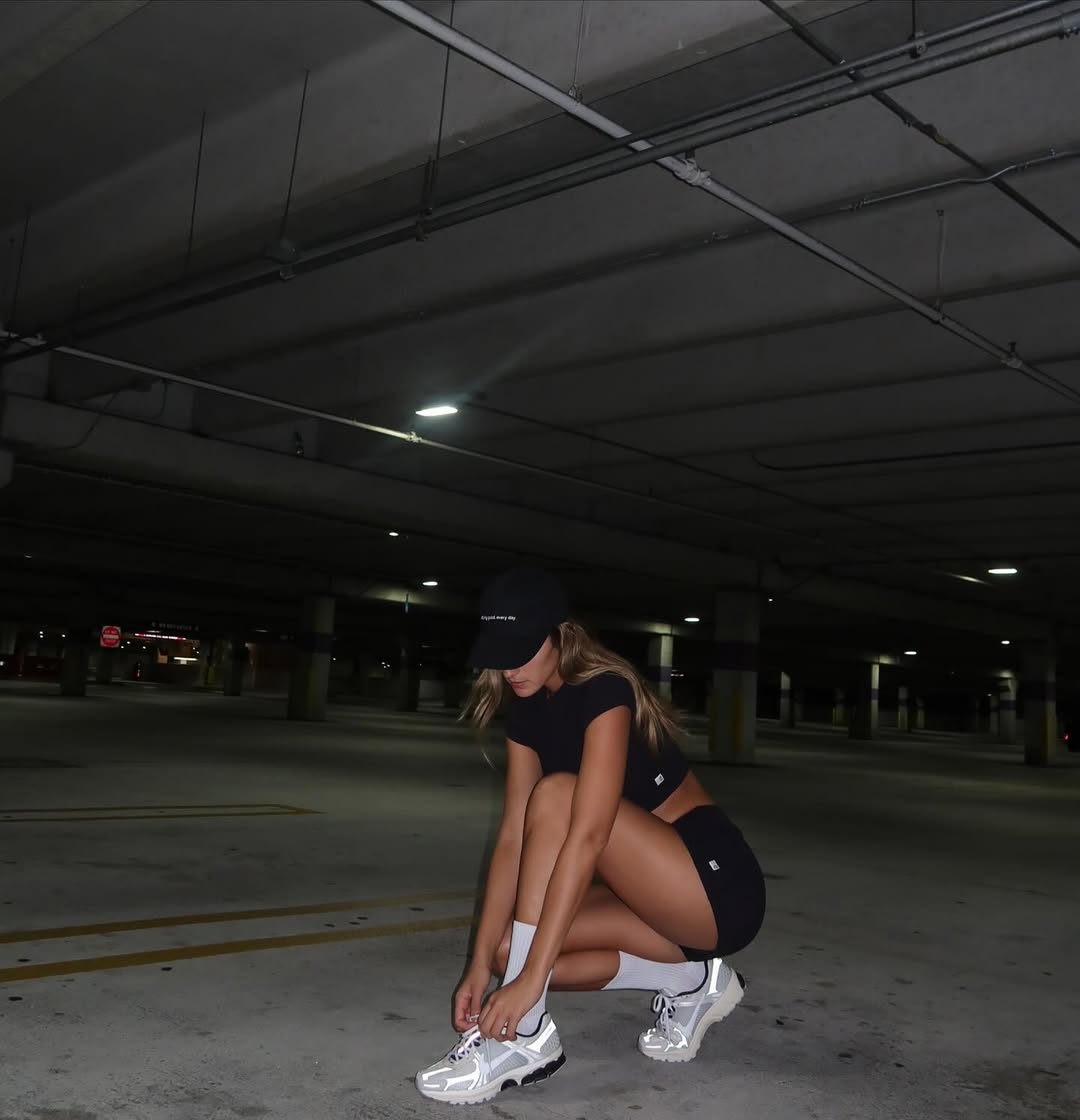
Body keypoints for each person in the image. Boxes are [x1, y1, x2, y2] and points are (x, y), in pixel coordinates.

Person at [415, 568, 766, 1105]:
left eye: (521, 651)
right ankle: (693, 981)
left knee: (557, 797)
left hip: (713, 889)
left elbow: (588, 837)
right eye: (499, 654)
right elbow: (512, 841)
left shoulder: (605, 692)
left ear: (560, 635)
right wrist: (480, 965)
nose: (509, 669)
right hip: (652, 907)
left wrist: (530, 983)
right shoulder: (527, 713)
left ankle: (526, 1035)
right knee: (510, 951)